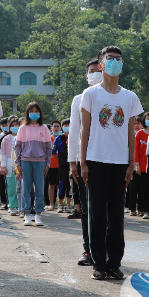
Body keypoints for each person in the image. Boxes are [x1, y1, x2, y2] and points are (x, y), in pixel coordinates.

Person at [80, 46, 143, 280]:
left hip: (119, 163)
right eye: (110, 59)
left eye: (119, 59)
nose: (115, 62)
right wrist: (83, 162)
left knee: (116, 215)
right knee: (97, 214)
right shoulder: (91, 95)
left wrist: (130, 162)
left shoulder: (130, 97)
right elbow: (84, 131)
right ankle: (98, 262)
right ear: (100, 65)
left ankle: (114, 262)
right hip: (96, 161)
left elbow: (130, 133)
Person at [67, 57, 101, 266]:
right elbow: (73, 132)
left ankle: (104, 248)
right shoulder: (79, 99)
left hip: (109, 160)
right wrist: (73, 162)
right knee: (87, 208)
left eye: (98, 69)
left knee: (106, 208)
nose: (94, 73)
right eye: (91, 70)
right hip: (84, 161)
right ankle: (88, 249)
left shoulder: (118, 96)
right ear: (86, 75)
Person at [15, 102, 52, 227]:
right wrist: (18, 163)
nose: (34, 113)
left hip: (40, 162)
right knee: (26, 188)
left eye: (36, 111)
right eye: (32, 111)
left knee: (40, 189)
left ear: (40, 113)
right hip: (25, 161)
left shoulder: (44, 128)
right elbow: (18, 147)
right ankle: (27, 214)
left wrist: (48, 163)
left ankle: (38, 214)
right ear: (27, 113)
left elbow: (48, 148)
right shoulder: (23, 128)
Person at [126, 115, 149, 217]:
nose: (136, 125)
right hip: (132, 164)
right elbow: (135, 151)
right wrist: (135, 164)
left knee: (143, 189)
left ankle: (142, 208)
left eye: (138, 123)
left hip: (145, 166)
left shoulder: (148, 133)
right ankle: (132, 208)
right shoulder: (129, 134)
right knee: (132, 188)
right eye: (134, 123)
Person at [55, 118, 72, 214]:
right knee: (62, 184)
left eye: (69, 125)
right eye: (65, 125)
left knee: (70, 185)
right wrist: (61, 159)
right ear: (62, 127)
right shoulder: (59, 138)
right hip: (62, 165)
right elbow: (53, 152)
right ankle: (60, 204)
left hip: (71, 164)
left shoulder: (74, 136)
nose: (67, 127)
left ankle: (68, 205)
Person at [46, 120, 63, 211]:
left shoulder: (63, 138)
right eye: (54, 126)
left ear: (60, 128)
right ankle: (51, 204)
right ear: (51, 128)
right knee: (51, 184)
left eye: (58, 126)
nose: (56, 128)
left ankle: (60, 204)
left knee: (60, 184)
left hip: (61, 165)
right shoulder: (48, 139)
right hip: (51, 165)